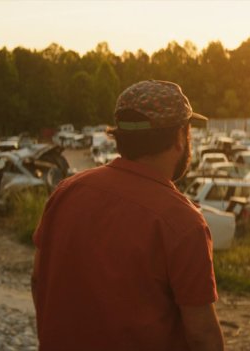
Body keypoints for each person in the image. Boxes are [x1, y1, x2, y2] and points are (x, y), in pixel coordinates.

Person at [31, 80, 224, 351]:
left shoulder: (67, 192)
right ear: (181, 137)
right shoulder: (182, 222)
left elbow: (39, 280)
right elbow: (202, 335)